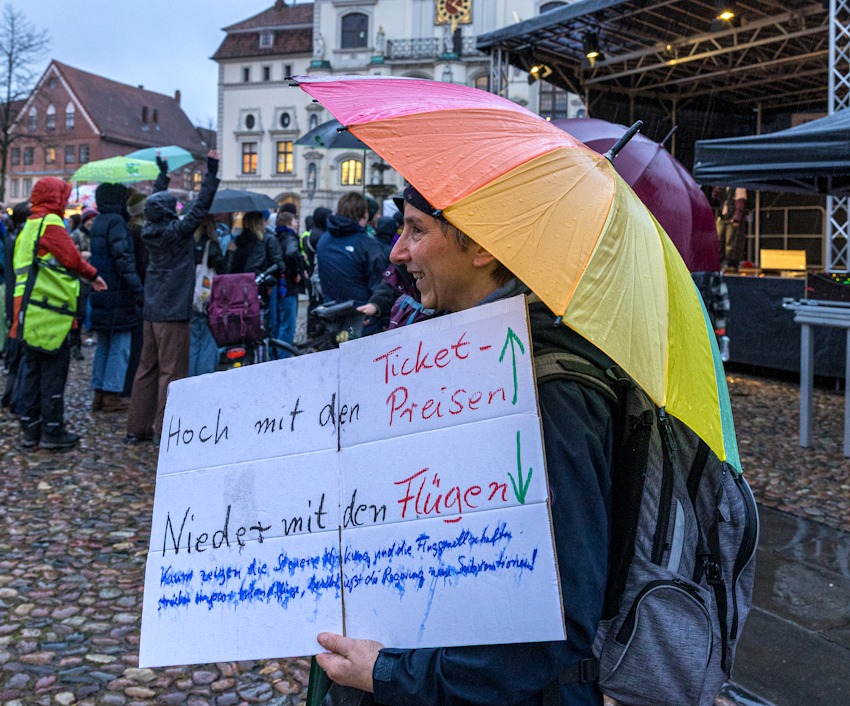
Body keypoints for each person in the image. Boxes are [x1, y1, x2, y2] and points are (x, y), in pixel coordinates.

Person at [313, 184, 613, 706]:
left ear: (483, 247)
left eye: (417, 230)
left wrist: (389, 675)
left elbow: (556, 621)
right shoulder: (443, 358)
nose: (397, 251)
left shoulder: (551, 392)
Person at [125, 151, 220, 444]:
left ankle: (136, 428)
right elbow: (201, 205)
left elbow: (157, 198)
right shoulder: (177, 232)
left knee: (146, 370)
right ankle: (163, 430)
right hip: (173, 313)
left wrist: (162, 172)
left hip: (151, 312)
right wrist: (212, 172)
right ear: (170, 212)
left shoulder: (149, 230)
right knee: (171, 372)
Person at [10, 177, 107, 449]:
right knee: (53, 371)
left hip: (27, 308)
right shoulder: (50, 223)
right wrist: (93, 275)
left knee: (32, 369)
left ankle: (31, 429)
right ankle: (52, 431)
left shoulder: (30, 223)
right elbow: (71, 258)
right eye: (62, 196)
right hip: (48, 310)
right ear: (56, 198)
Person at [88, 183, 144, 413]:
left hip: (102, 291)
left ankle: (99, 392)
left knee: (103, 344)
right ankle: (112, 394)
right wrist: (138, 288)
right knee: (119, 345)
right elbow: (123, 260)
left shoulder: (99, 221)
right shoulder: (117, 222)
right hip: (118, 294)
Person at [316, 193, 388, 334]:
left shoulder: (324, 239)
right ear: (364, 214)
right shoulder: (367, 244)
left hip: (333, 314)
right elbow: (381, 283)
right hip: (362, 318)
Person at [189, 214, 231, 376]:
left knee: (193, 341)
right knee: (207, 342)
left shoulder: (190, 243)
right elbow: (224, 270)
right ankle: (203, 378)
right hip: (205, 299)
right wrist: (231, 252)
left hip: (190, 296)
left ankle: (190, 377)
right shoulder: (211, 245)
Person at [273, 208, 305, 355]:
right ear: (288, 223)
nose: (297, 222)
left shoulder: (275, 237)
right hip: (288, 286)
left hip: (277, 285)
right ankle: (284, 359)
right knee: (288, 324)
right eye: (294, 220)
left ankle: (276, 355)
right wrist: (297, 272)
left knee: (278, 323)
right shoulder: (290, 238)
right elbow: (291, 253)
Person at [712, 185, 748, 271]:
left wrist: (736, 217)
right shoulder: (724, 187)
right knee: (718, 240)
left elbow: (740, 202)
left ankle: (731, 264)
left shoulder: (738, 186)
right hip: (723, 216)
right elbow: (716, 199)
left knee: (731, 243)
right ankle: (718, 263)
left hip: (731, 218)